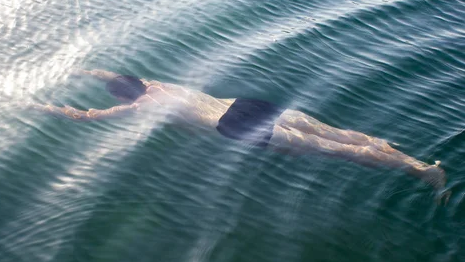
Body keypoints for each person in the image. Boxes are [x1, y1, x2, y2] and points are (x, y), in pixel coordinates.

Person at [31, 69, 447, 198]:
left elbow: (84, 116)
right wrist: (88, 70)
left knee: (332, 150)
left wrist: (40, 107)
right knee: (339, 134)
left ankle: (424, 172)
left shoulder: (140, 105)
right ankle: (405, 157)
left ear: (126, 96)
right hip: (244, 104)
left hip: (235, 125)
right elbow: (120, 75)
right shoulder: (158, 86)